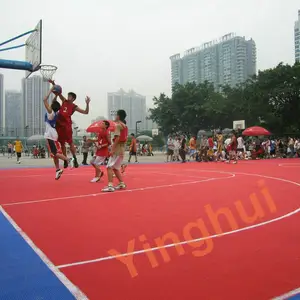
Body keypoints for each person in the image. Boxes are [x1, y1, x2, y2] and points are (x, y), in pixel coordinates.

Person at [49, 80, 91, 168]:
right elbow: (58, 92)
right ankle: (65, 160)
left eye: (70, 96)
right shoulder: (64, 101)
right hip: (59, 125)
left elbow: (86, 112)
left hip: (67, 126)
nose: (68, 97)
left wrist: (87, 104)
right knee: (62, 144)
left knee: (70, 143)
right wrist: (53, 84)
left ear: (73, 98)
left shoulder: (74, 106)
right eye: (68, 95)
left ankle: (75, 158)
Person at [43, 88, 70, 179]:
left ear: (52, 106)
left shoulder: (50, 112)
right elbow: (53, 103)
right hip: (54, 133)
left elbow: (44, 100)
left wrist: (50, 90)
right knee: (55, 154)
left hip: (50, 135)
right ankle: (58, 169)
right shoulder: (56, 112)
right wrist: (56, 95)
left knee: (54, 153)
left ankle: (67, 159)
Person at [102, 110, 128, 192]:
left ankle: (110, 185)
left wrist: (112, 150)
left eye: (116, 115)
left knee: (109, 167)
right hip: (121, 149)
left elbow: (117, 138)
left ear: (118, 116)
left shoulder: (118, 126)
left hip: (117, 149)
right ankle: (121, 183)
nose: (115, 116)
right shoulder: (125, 126)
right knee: (116, 168)